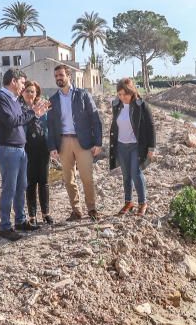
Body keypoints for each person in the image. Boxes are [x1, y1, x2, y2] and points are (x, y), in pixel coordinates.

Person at [0, 68, 47, 241]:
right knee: (9, 188)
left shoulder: (14, 100)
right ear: (14, 81)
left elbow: (21, 119)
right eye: (22, 82)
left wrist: (33, 113)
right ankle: (5, 227)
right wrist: (33, 113)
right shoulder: (0, 98)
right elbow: (11, 122)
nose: (24, 86)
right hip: (8, 149)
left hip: (19, 149)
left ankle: (20, 221)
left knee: (21, 186)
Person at [46, 63, 103, 221]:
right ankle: (76, 211)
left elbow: (95, 119)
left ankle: (92, 209)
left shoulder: (83, 95)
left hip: (83, 141)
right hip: (63, 142)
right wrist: (52, 147)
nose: (58, 78)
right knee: (68, 179)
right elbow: (50, 126)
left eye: (61, 75)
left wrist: (98, 143)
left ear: (68, 76)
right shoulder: (53, 100)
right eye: (56, 76)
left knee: (87, 177)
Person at [108, 78, 155, 216]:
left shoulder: (142, 106)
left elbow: (150, 127)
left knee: (136, 173)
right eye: (120, 94)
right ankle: (128, 202)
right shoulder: (117, 105)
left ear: (132, 92)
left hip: (136, 146)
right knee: (126, 175)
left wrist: (151, 148)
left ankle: (143, 202)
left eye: (125, 94)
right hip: (121, 146)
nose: (123, 97)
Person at [20, 80, 53, 226]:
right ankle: (32, 216)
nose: (30, 94)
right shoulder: (19, 108)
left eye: (32, 91)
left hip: (43, 148)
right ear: (22, 92)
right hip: (27, 149)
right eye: (27, 91)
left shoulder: (42, 106)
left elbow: (49, 127)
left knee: (44, 182)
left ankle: (46, 213)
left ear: (36, 93)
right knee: (31, 183)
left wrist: (52, 146)